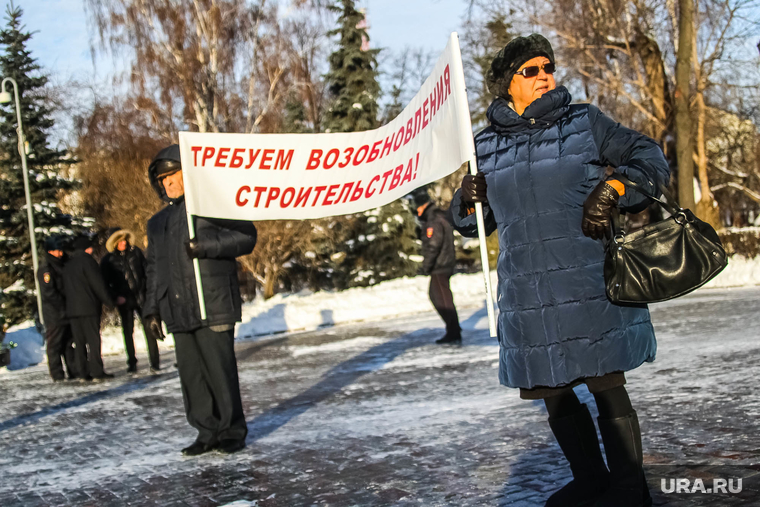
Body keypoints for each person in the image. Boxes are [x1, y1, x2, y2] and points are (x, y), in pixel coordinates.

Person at [451, 34, 669, 507]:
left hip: (588, 280)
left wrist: (613, 188)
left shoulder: (584, 122)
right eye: (530, 70)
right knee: (552, 390)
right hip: (528, 292)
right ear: (508, 84)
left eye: (547, 66)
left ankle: (631, 489)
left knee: (606, 383)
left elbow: (649, 157)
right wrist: (464, 199)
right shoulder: (483, 145)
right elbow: (474, 226)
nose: (544, 74)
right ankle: (591, 481)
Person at [143, 144, 257, 456]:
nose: (168, 183)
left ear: (188, 173)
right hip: (176, 308)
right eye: (162, 179)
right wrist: (151, 308)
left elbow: (247, 236)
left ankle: (232, 429)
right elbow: (154, 267)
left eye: (173, 175)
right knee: (192, 374)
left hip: (213, 302)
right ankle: (206, 431)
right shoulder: (157, 223)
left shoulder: (212, 205)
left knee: (220, 370)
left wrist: (207, 246)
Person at [101, 229, 162, 373]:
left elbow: (147, 272)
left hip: (141, 296)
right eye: (120, 241)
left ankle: (154, 362)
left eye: (124, 240)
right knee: (128, 331)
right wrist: (115, 297)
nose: (123, 243)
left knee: (149, 328)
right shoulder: (108, 260)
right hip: (124, 299)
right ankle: (132, 362)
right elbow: (105, 283)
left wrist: (149, 291)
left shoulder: (136, 253)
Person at [62, 235, 115, 382]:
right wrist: (109, 301)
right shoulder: (88, 262)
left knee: (79, 342)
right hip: (89, 308)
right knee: (93, 340)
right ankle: (97, 371)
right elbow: (98, 284)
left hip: (72, 310)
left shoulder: (68, 265)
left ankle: (82, 373)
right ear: (87, 248)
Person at [413, 191, 461, 344]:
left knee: (441, 299)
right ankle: (453, 328)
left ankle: (453, 331)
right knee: (439, 296)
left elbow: (433, 246)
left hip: (440, 265)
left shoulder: (433, 220)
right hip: (444, 263)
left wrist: (426, 266)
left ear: (422, 206)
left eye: (417, 208)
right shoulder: (439, 216)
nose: (417, 212)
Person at [38, 235, 78, 382]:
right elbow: (50, 293)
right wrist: (63, 308)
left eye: (60, 250)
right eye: (56, 251)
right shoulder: (46, 269)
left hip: (67, 310)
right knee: (55, 344)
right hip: (55, 313)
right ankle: (57, 373)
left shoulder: (64, 263)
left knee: (68, 342)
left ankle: (74, 370)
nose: (60, 254)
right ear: (49, 251)